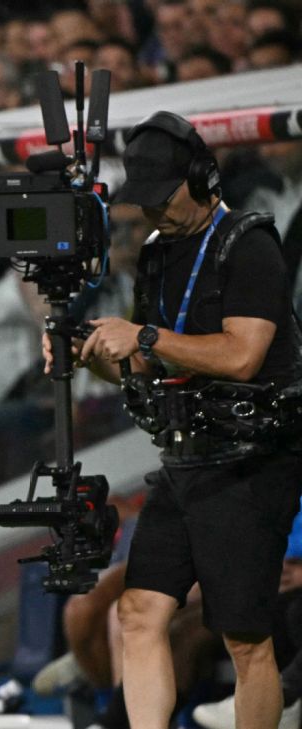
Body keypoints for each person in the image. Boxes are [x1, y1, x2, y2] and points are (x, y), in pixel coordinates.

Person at [55, 111, 302, 729]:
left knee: (246, 640)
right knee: (137, 612)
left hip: (251, 464)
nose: (152, 213)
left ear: (201, 176)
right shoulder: (160, 253)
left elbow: (241, 356)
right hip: (184, 459)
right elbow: (145, 365)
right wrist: (87, 352)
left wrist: (142, 333)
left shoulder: (250, 244)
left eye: (162, 198)